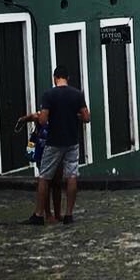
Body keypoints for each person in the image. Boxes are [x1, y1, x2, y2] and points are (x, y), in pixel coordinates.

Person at [27, 67, 89, 226]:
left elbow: (42, 120)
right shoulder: (77, 94)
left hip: (54, 141)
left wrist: (41, 115)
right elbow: (86, 117)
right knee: (71, 176)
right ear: (67, 77)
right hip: (72, 141)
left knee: (44, 177)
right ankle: (68, 214)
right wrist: (74, 115)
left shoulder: (49, 95)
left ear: (55, 78)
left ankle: (39, 214)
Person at [16, 110, 59, 222]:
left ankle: (50, 214)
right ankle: (51, 214)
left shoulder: (42, 115)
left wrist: (23, 120)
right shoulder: (48, 115)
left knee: (48, 183)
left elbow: (32, 116)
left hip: (45, 151)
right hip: (49, 150)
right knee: (52, 183)